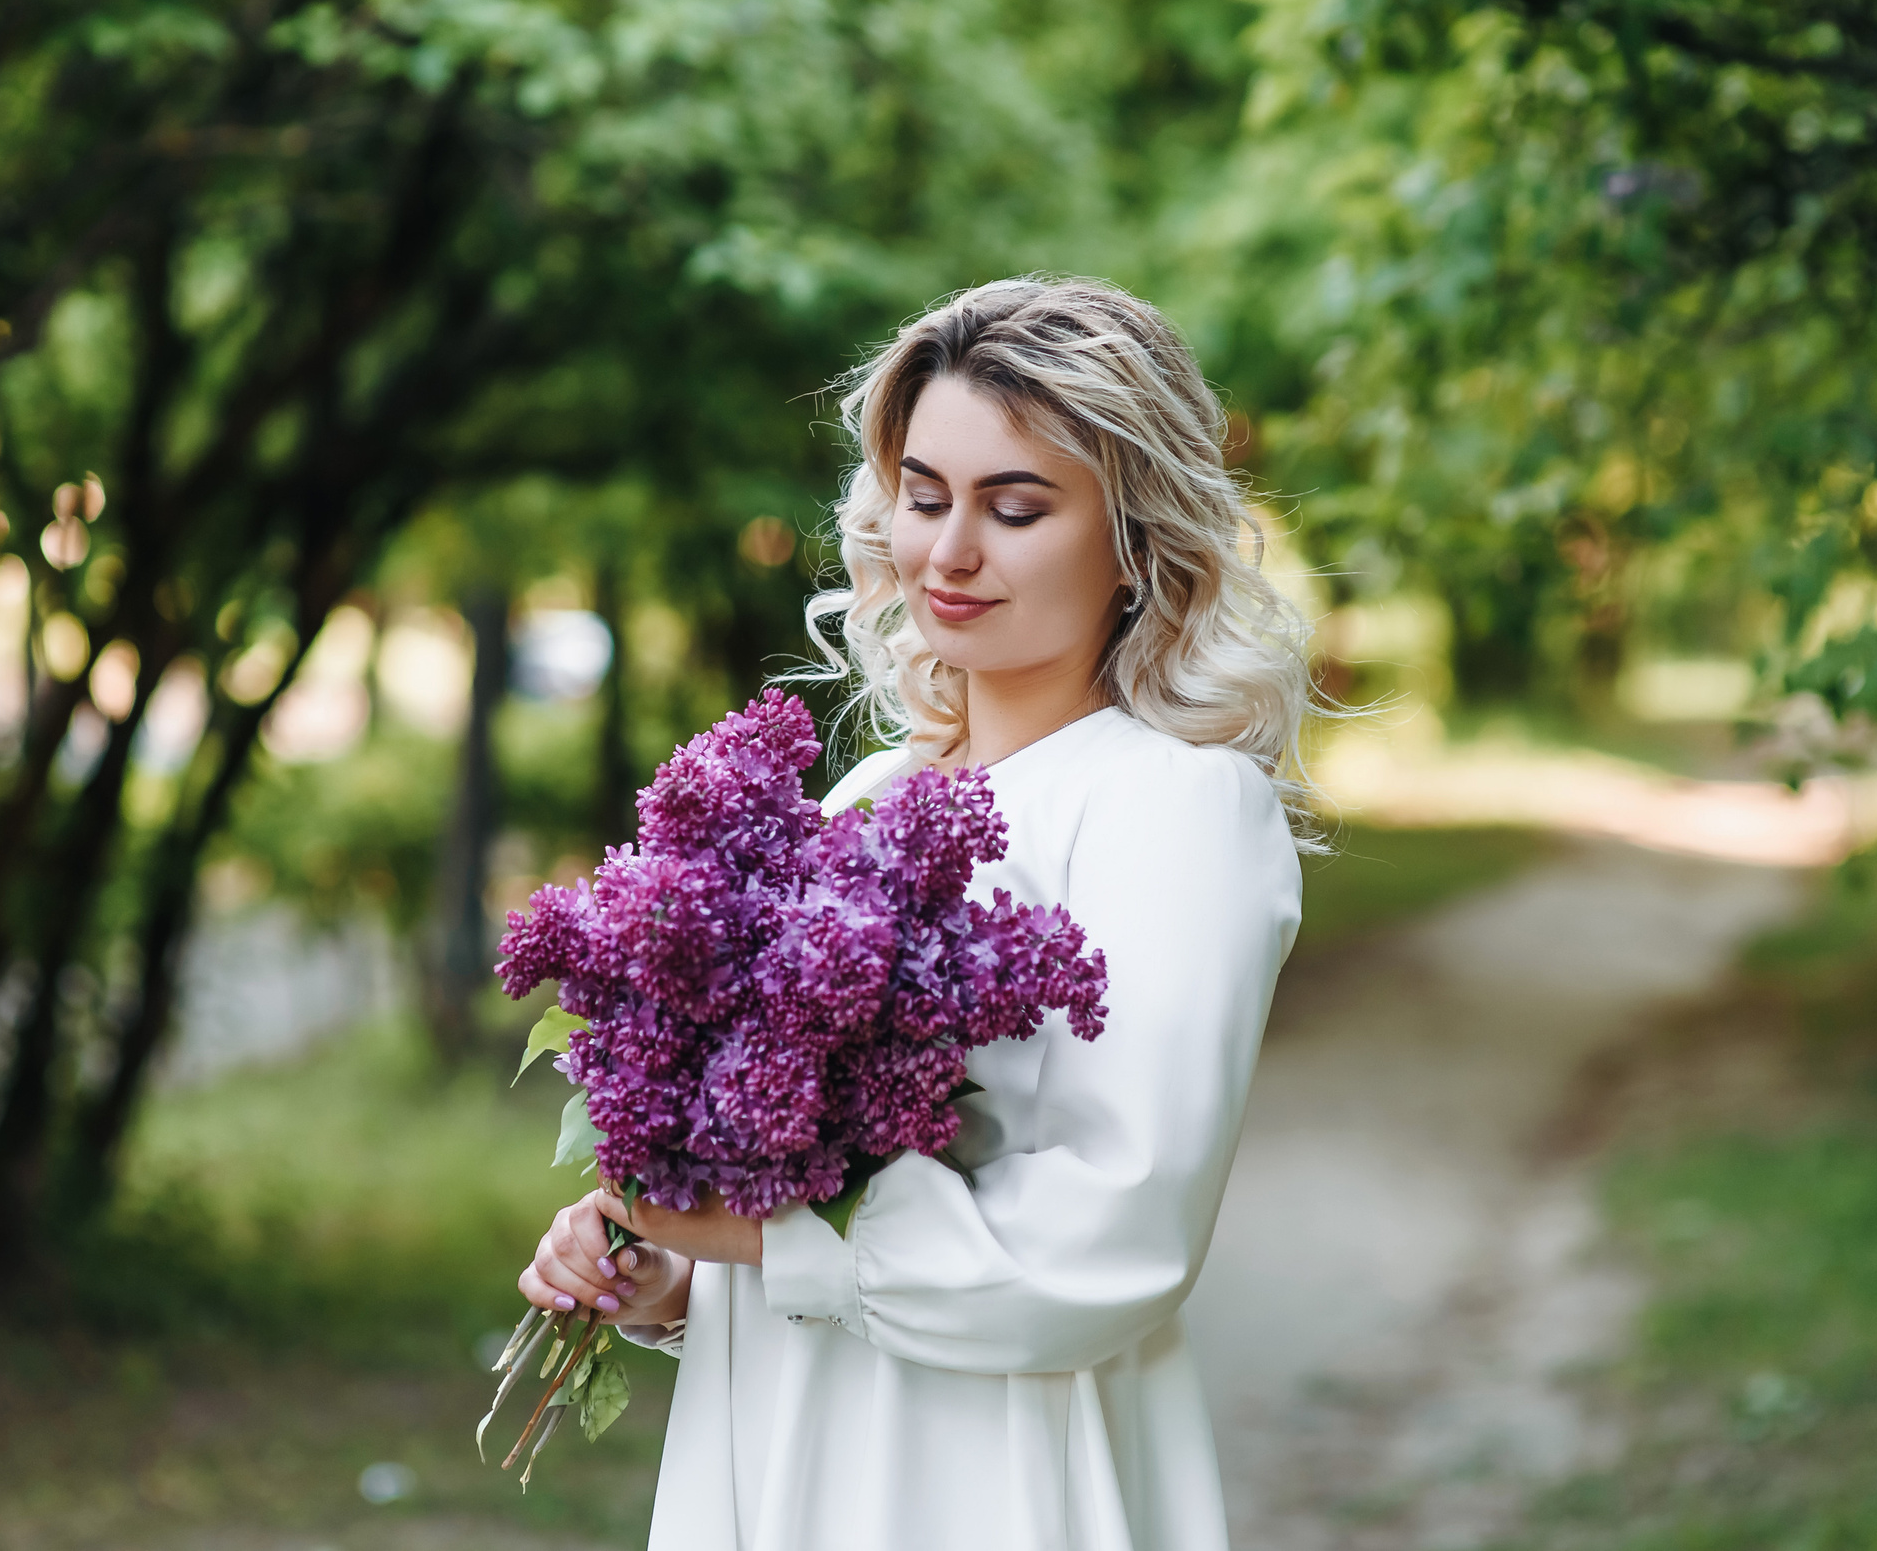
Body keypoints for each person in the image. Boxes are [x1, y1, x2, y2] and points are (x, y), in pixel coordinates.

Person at [517, 276, 1319, 1551]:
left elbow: (1118, 1230)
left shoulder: (1173, 804)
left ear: (1132, 535)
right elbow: (800, 1211)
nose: (947, 553)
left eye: (1015, 508)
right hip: (785, 1445)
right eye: (925, 495)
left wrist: (762, 1239)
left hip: (987, 1469)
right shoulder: (870, 792)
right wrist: (674, 1274)